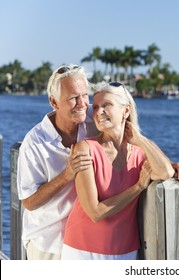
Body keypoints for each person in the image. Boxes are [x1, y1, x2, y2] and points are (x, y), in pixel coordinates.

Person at [17, 64, 179, 260]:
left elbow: (126, 129)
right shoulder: (35, 142)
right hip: (47, 240)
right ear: (54, 102)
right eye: (74, 98)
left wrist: (168, 164)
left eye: (85, 95)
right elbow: (29, 202)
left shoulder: (92, 116)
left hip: (98, 238)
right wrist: (66, 175)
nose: (84, 104)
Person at [61, 82, 173, 259]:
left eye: (106, 105)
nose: (98, 112)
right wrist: (138, 187)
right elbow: (95, 212)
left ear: (126, 111)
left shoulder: (139, 152)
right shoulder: (85, 149)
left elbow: (166, 172)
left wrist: (140, 139)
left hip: (125, 251)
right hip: (83, 250)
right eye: (96, 107)